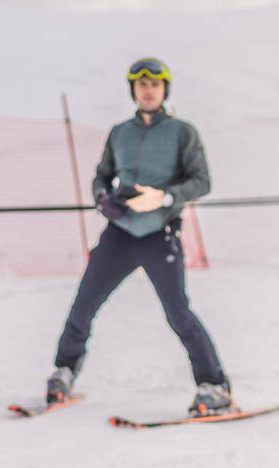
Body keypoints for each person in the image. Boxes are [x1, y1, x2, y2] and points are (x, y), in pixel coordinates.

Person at [44, 57, 232, 414]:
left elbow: (202, 181)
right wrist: (102, 199)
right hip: (120, 232)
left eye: (155, 85)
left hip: (159, 233)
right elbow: (102, 175)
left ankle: (214, 385)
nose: (148, 90)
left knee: (178, 312)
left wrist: (163, 197)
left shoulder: (182, 132)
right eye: (142, 85)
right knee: (84, 304)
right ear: (134, 90)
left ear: (164, 90)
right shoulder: (120, 133)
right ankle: (64, 373)